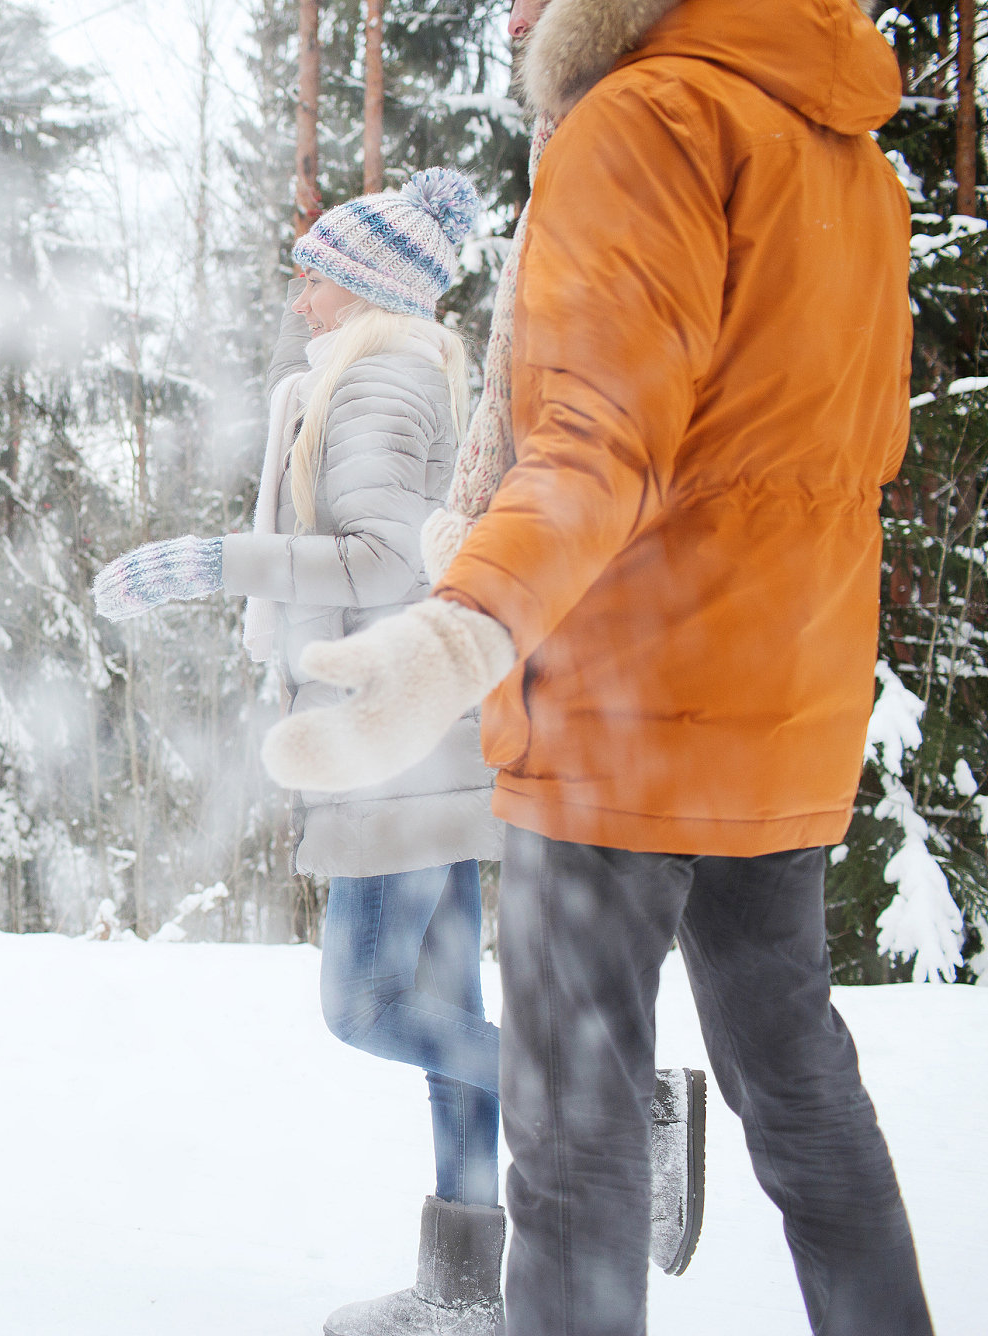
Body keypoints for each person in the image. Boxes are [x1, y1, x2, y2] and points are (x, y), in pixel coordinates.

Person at [259, 0, 937, 1332]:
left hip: (612, 719)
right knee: (803, 1101)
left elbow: (596, 437)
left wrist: (464, 622)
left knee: (572, 1146)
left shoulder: (639, 116)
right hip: (778, 708)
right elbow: (842, 446)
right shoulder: (841, 142)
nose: (516, 11)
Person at [94, 169, 512, 1335]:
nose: (299, 295)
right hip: (421, 732)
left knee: (365, 1005)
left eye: (314, 273)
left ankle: (608, 1099)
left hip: (387, 741)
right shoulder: (390, 370)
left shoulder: (375, 378)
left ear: (365, 283)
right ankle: (464, 1289)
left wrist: (207, 563)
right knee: (445, 1021)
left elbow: (381, 560)